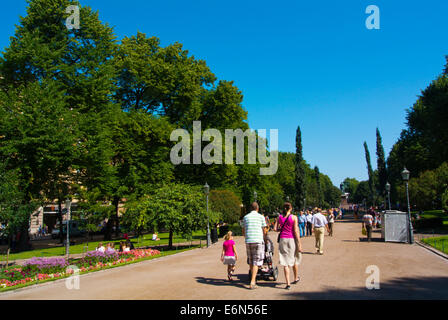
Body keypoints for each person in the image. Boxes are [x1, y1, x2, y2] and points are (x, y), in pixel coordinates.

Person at [275, 202, 302, 290]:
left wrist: (281, 228)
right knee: (294, 258)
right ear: (290, 208)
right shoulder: (294, 217)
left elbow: (275, 229)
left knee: (285, 262)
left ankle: (288, 283)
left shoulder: (279, 217)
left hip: (282, 239)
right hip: (291, 240)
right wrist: (299, 244)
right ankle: (295, 277)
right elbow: (296, 231)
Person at [242, 202, 267, 290]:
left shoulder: (245, 217)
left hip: (248, 240)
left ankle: (253, 279)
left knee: (251, 260)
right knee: (256, 261)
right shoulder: (261, 217)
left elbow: (243, 230)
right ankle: (253, 282)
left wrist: (247, 237)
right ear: (257, 208)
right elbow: (264, 230)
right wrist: (264, 238)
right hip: (257, 240)